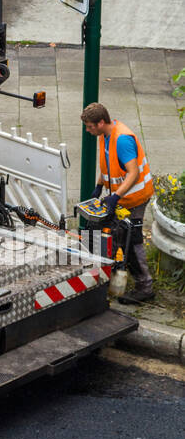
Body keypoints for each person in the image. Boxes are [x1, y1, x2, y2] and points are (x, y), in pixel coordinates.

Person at [80, 103, 155, 303]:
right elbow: (108, 167)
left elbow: (133, 173)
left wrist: (115, 197)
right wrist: (98, 186)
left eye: (90, 127)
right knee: (112, 234)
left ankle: (145, 287)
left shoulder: (122, 140)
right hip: (123, 197)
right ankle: (109, 276)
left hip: (135, 198)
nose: (88, 131)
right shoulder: (105, 136)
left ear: (101, 122)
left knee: (132, 240)